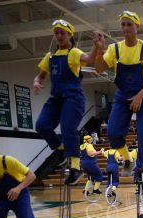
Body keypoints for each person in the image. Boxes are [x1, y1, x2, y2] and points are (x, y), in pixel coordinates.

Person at [94, 10, 143, 194]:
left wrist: (140, 95)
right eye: (123, 24)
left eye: (129, 24)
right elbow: (99, 69)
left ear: (137, 26)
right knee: (114, 133)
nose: (125, 28)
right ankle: (128, 160)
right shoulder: (115, 49)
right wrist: (99, 49)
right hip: (123, 95)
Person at [33, 19, 97, 186]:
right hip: (56, 99)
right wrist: (37, 81)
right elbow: (41, 75)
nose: (59, 36)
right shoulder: (50, 56)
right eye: (56, 33)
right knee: (41, 125)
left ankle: (76, 168)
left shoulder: (74, 53)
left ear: (70, 34)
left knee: (68, 129)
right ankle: (61, 150)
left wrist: (96, 46)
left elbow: (89, 58)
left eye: (62, 33)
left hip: (73, 97)